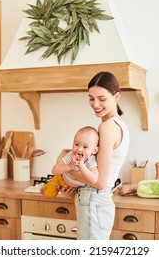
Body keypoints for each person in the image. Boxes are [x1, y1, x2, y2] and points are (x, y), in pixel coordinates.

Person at [56, 71, 130, 240]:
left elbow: (99, 182)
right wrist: (75, 183)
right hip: (97, 201)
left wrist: (63, 167)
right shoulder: (119, 124)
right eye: (91, 98)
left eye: (102, 99)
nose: (95, 104)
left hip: (93, 200)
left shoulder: (107, 127)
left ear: (116, 96)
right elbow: (95, 173)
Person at [40, 126, 99, 198]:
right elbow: (54, 170)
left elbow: (94, 179)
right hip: (60, 179)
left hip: (75, 189)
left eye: (85, 147)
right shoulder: (71, 155)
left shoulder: (91, 160)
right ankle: (49, 183)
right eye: (76, 144)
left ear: (94, 150)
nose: (79, 149)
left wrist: (82, 167)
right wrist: (69, 166)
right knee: (48, 194)